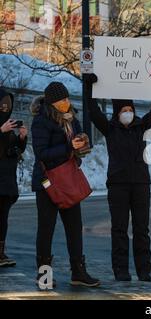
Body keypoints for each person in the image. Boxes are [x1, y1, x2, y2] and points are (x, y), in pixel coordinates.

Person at [84, 73, 151, 282]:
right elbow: (93, 111)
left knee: (141, 228)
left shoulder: (140, 127)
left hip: (141, 184)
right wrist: (89, 88)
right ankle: (121, 270)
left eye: (130, 110)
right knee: (119, 229)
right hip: (118, 184)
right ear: (117, 113)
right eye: (124, 110)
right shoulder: (110, 129)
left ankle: (144, 270)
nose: (128, 113)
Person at [30, 82, 99, 288]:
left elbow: (77, 149)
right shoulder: (41, 121)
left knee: (74, 227)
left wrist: (82, 144)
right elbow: (41, 154)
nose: (67, 103)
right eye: (62, 100)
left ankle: (78, 271)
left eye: (68, 99)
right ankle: (44, 276)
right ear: (53, 102)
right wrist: (69, 145)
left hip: (68, 180)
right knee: (46, 229)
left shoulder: (72, 119)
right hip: (47, 182)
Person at [0, 88, 27, 267]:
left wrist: (22, 138)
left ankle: (1, 252)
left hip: (7, 180)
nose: (5, 108)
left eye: (8, 105)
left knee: (3, 218)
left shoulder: (8, 126)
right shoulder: (3, 127)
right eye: (2, 104)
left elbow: (14, 151)